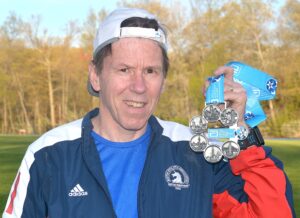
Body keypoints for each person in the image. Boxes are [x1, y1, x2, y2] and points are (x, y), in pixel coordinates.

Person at [3, 7, 295, 218]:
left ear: (163, 80)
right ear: (96, 75)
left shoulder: (195, 152)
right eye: (124, 69)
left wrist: (240, 132)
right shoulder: (47, 155)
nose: (139, 86)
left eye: (151, 71)